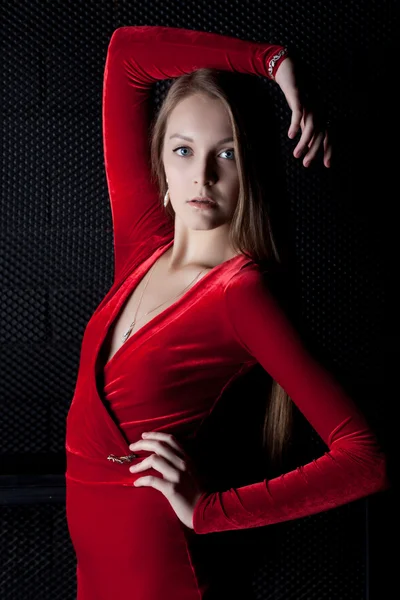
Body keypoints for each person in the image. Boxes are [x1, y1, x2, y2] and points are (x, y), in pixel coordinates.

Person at [65, 25, 389, 600]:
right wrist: (271, 63)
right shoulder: (142, 246)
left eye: (227, 154)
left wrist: (208, 511)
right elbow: (126, 54)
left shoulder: (241, 295)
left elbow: (365, 458)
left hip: (161, 573)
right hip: (94, 573)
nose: (203, 176)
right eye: (184, 150)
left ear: (251, 171)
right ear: (161, 163)